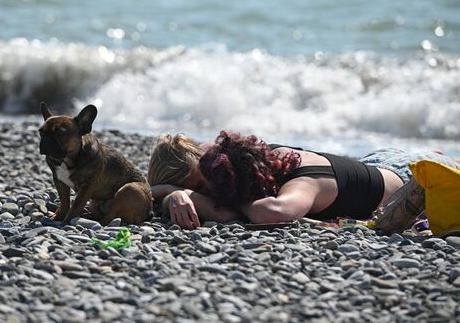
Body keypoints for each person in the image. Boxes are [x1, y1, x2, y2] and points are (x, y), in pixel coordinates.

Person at [148, 131, 460, 230]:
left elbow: (273, 214)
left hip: (409, 174)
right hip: (376, 160)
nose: (210, 191)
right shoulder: (234, 160)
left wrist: (177, 192)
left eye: (203, 185)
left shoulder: (305, 184)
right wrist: (169, 192)